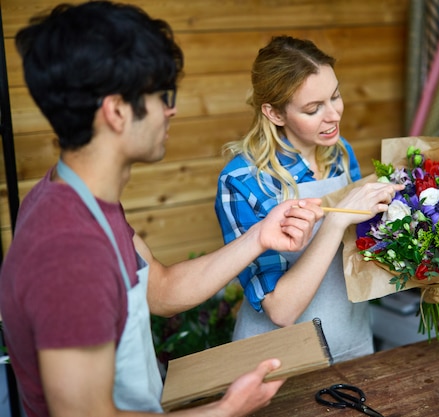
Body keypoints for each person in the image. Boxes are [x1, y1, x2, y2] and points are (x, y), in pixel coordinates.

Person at [0, 3, 325, 417]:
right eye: (162, 96)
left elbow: (161, 289)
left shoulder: (79, 198)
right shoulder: (68, 250)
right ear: (117, 111)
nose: (171, 110)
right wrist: (225, 411)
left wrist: (260, 237)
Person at [215, 36, 404, 363]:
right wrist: (336, 221)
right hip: (278, 358)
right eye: (313, 109)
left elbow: (359, 249)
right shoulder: (242, 182)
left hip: (351, 338)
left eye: (335, 96)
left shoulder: (340, 152)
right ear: (274, 113)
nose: (333, 116)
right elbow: (280, 310)